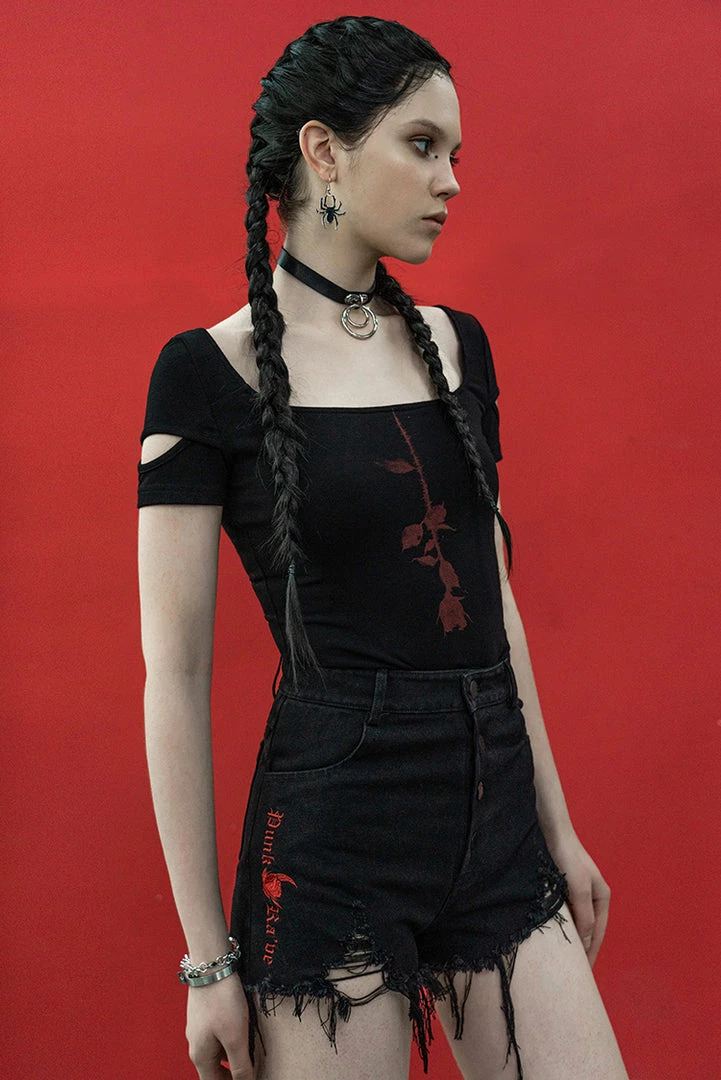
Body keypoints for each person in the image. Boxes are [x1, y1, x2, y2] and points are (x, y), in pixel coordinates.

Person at [137, 15, 629, 1080]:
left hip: (494, 808)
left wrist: (555, 826)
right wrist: (207, 960)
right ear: (324, 151)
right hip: (332, 841)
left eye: (454, 152)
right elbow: (173, 675)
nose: (450, 180)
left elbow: (491, 602)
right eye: (420, 144)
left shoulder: (456, 347)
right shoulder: (208, 375)